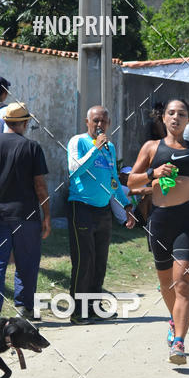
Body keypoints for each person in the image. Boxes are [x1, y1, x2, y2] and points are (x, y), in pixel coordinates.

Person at [129, 98, 189, 365]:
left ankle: (179, 342)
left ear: (188, 119)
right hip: (158, 220)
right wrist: (152, 173)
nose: (176, 118)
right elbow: (130, 181)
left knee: (183, 283)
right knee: (166, 285)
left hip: (187, 219)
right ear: (164, 118)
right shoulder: (151, 147)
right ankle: (174, 320)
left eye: (182, 114)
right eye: (171, 113)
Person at [67, 105, 136, 325]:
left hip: (103, 210)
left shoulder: (110, 148)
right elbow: (74, 169)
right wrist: (95, 148)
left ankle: (94, 307)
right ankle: (77, 311)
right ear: (86, 122)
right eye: (95, 121)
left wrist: (126, 206)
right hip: (82, 207)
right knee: (84, 260)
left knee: (99, 261)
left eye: (103, 121)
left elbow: (114, 180)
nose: (99, 125)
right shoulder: (78, 141)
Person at [0, 102, 50, 320]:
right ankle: (24, 308)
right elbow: (40, 186)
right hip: (27, 216)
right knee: (27, 262)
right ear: (24, 122)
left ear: (5, 122)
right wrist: (47, 215)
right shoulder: (32, 148)